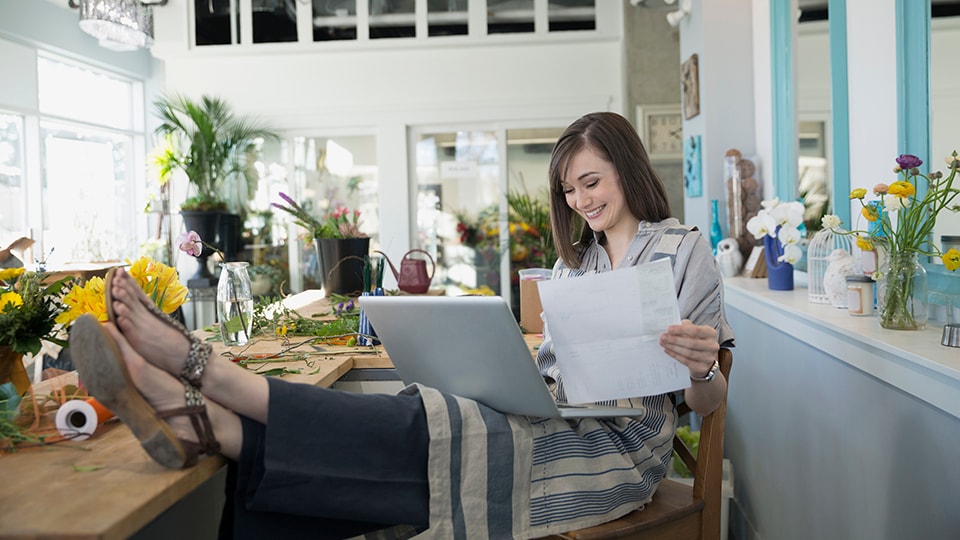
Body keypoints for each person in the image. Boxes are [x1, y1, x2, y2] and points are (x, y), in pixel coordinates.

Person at [69, 111, 734, 540]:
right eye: (569, 191)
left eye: (591, 181)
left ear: (625, 166)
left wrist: (702, 371)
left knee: (423, 435)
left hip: (620, 445)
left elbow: (706, 404)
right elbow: (552, 371)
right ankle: (209, 420)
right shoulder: (569, 267)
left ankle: (209, 386)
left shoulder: (681, 249)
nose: (582, 200)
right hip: (554, 415)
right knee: (432, 416)